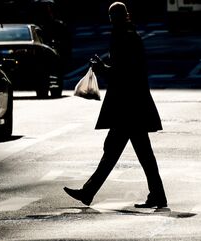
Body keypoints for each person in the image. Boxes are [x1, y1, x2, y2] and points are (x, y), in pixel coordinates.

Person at [63, 2, 167, 209]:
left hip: (127, 106)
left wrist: (102, 69)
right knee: (136, 154)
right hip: (133, 105)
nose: (111, 20)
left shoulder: (124, 37)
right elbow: (127, 69)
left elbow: (125, 72)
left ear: (116, 17)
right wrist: (104, 68)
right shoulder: (129, 35)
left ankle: (89, 191)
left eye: (113, 16)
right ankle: (156, 195)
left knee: (117, 152)